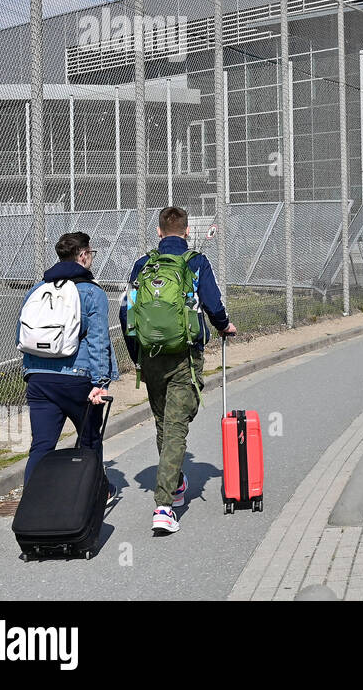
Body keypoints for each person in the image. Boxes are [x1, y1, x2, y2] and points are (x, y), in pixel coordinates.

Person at [122, 206, 236, 534]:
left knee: (163, 421)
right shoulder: (196, 262)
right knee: (176, 423)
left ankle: (175, 483)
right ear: (187, 231)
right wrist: (225, 326)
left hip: (151, 355)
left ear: (158, 233)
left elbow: (126, 312)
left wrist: (138, 356)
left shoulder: (143, 264)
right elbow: (212, 304)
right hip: (185, 353)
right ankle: (163, 506)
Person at [17, 232, 117, 500]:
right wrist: (100, 382)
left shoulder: (36, 290)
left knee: (42, 445)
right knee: (88, 440)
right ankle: (94, 494)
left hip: (38, 379)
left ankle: (32, 501)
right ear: (83, 255)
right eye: (91, 254)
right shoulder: (92, 292)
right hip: (78, 379)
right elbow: (98, 342)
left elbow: (22, 334)